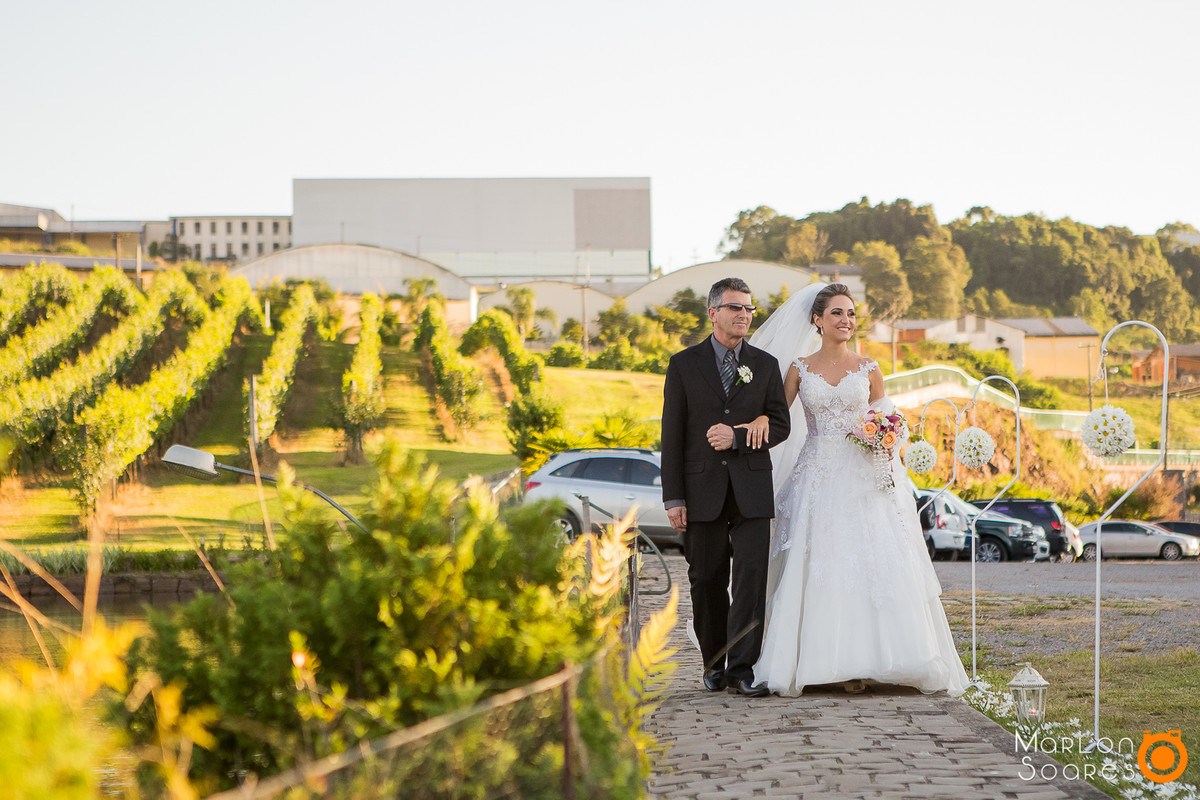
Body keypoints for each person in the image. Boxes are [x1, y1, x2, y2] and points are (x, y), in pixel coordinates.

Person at [747, 283, 968, 697]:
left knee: (872, 563)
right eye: (836, 313)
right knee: (821, 564)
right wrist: (755, 423)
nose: (845, 320)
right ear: (817, 319)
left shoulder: (869, 368)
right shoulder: (798, 367)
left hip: (864, 478)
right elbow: (779, 417)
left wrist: (889, 441)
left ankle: (879, 661)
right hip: (816, 479)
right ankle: (824, 662)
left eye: (850, 313)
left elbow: (888, 420)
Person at [660, 277, 791, 697]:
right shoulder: (683, 364)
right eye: (736, 308)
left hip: (752, 489)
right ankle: (713, 665)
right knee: (707, 580)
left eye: (750, 309)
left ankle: (742, 669)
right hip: (701, 491)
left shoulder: (766, 365)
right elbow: (672, 434)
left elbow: (781, 424)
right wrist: (674, 497)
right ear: (713, 312)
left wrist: (739, 435)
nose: (744, 316)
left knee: (751, 579)